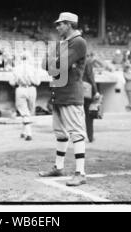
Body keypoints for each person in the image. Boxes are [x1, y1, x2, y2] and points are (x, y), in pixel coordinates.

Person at [38, 12, 88, 186]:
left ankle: (80, 172)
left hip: (71, 94)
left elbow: (59, 65)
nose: (57, 27)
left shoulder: (78, 42)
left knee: (76, 133)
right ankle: (58, 167)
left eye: (61, 24)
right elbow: (45, 65)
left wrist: (55, 62)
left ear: (69, 24)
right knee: (60, 133)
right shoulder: (62, 43)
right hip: (58, 93)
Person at [9, 51, 41, 141]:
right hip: (31, 89)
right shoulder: (34, 68)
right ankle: (27, 133)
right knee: (28, 112)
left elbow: (12, 82)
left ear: (20, 58)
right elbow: (38, 82)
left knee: (24, 112)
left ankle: (26, 132)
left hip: (20, 89)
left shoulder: (16, 68)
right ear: (29, 58)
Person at [82, 55, 100, 142]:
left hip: (76, 90)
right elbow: (90, 77)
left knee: (77, 115)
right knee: (89, 115)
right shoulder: (88, 62)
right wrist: (95, 91)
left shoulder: (75, 59)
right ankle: (90, 137)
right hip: (86, 90)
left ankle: (77, 136)